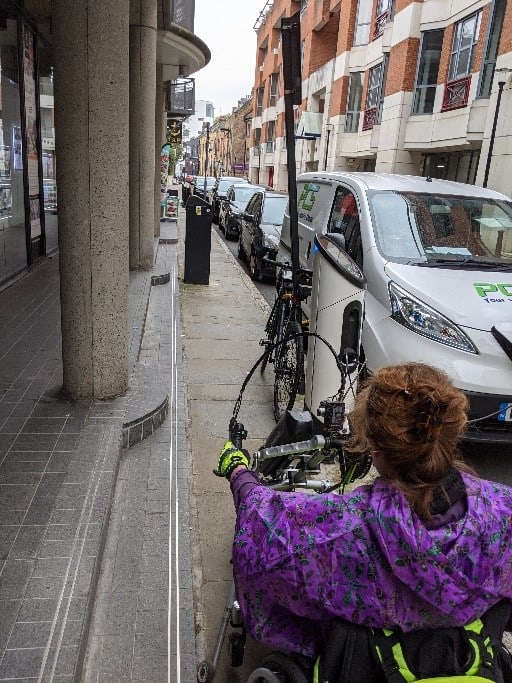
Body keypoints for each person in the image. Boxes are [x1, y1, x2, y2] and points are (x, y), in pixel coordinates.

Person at [214, 363, 512, 662]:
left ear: (376, 449)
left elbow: (260, 520)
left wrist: (238, 471)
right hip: (463, 654)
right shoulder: (504, 511)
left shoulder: (340, 527)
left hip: (364, 659)